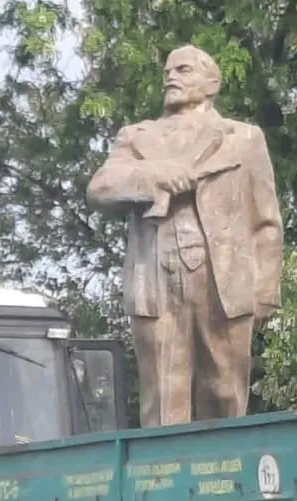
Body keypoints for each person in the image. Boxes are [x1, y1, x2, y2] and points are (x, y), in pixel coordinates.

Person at [86, 44, 283, 427]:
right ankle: (162, 482)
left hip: (222, 280)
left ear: (212, 83)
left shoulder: (243, 138)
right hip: (157, 277)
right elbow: (100, 188)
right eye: (168, 71)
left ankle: (227, 480)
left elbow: (266, 221)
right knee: (162, 398)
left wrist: (265, 292)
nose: (171, 77)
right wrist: (155, 175)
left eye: (183, 69)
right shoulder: (138, 137)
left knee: (224, 393)